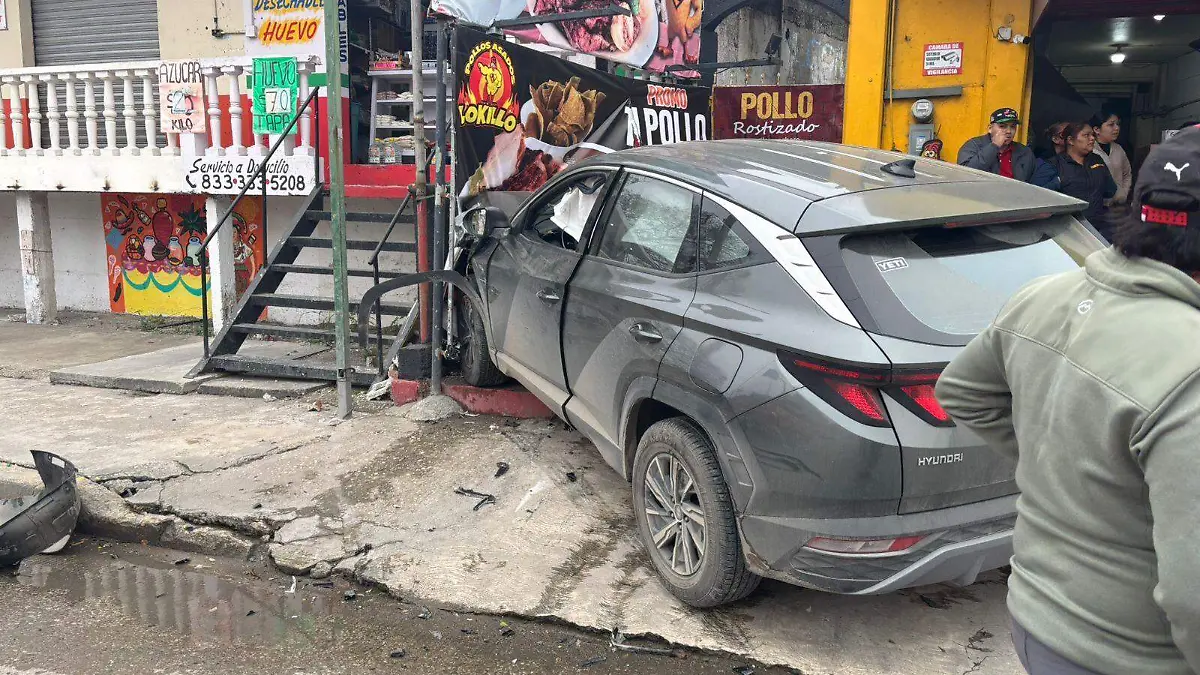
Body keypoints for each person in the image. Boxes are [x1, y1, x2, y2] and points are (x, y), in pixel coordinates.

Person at [935, 125, 1200, 675]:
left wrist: (1056, 463)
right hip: (1129, 654)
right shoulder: (1190, 368)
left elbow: (961, 391)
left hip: (1035, 616)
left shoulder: (1044, 295)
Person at [1049, 122, 1117, 238]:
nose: (1092, 138)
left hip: (1098, 229)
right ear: (1070, 140)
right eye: (1086, 135)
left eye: (1092, 135)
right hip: (1066, 230)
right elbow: (1043, 196)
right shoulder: (1054, 164)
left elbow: (1110, 190)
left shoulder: (1097, 160)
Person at [958, 108, 1035, 182]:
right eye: (1002, 126)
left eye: (1012, 127)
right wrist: (994, 146)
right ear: (990, 128)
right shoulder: (974, 145)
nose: (1008, 131)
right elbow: (965, 173)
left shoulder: (1024, 152)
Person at [1092, 111, 1133, 208]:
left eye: (1118, 124)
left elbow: (1127, 174)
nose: (1117, 128)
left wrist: (1123, 193)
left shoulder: (1118, 149)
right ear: (1097, 129)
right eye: (1111, 125)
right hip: (1096, 205)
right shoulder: (1089, 149)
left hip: (1118, 205)